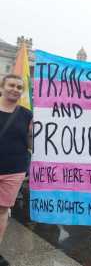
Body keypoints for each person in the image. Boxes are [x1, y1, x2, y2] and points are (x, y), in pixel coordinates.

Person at [0, 74, 33, 266]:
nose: (15, 89)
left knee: (3, 210)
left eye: (19, 87)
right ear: (2, 87)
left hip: (14, 169)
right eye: (11, 85)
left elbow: (30, 142)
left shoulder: (27, 114)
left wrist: (34, 134)